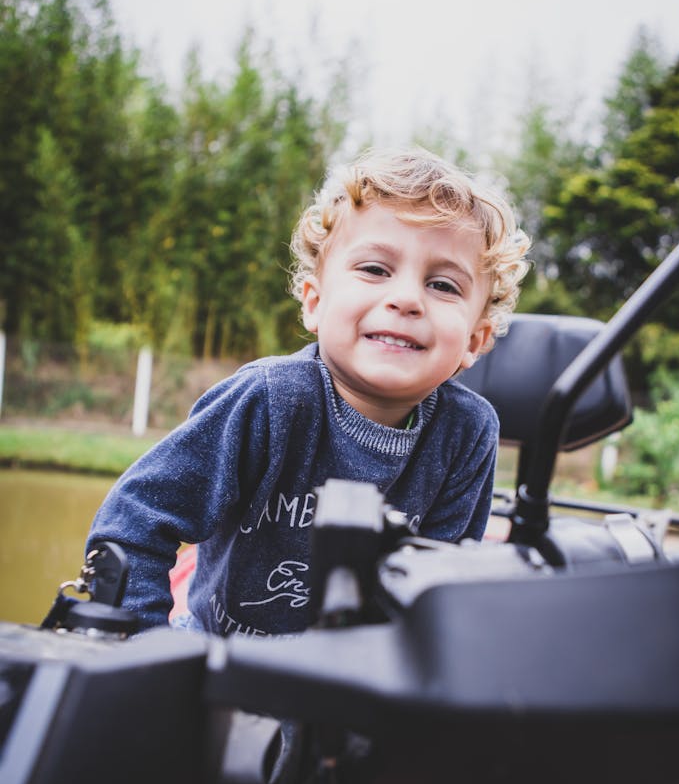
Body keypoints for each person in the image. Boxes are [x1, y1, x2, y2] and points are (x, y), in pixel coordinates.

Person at [86, 147, 529, 636]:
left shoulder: (467, 432)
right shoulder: (269, 399)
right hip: (219, 663)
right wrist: (148, 650)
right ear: (314, 304)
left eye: (443, 285)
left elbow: (439, 591)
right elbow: (135, 520)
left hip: (356, 685)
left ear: (475, 339)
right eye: (375, 270)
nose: (405, 299)